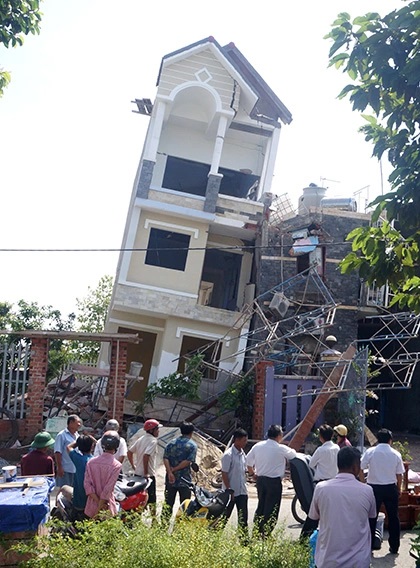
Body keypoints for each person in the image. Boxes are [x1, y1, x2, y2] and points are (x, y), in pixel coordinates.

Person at [308, 446, 377, 568]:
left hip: (327, 560)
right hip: (358, 561)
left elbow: (313, 518)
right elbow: (372, 519)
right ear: (355, 467)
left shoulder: (321, 488)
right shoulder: (367, 491)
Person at [246, 424, 296, 537]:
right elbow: (293, 455)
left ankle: (257, 530)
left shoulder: (258, 446)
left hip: (260, 481)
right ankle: (266, 533)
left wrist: (252, 474)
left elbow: (248, 462)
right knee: (272, 508)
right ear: (279, 435)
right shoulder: (281, 448)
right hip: (274, 482)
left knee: (261, 505)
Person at [360, 428, 405, 554]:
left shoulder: (370, 452)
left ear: (378, 439)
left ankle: (368, 546)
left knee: (371, 517)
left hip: (373, 488)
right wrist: (399, 488)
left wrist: (363, 483)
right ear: (390, 440)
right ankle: (394, 546)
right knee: (393, 517)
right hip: (390, 487)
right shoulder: (396, 454)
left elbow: (361, 468)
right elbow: (399, 474)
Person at [163, 422, 197, 522]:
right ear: (191, 432)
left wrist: (170, 472)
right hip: (184, 480)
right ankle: (181, 526)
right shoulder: (192, 445)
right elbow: (188, 461)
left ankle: (163, 525)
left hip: (170, 479)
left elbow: (165, 458)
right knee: (185, 505)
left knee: (168, 503)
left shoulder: (171, 443)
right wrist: (174, 469)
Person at [84, 430, 122, 519]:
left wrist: (97, 503)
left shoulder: (91, 462)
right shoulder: (116, 465)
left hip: (91, 506)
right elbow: (107, 490)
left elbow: (87, 485)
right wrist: (100, 507)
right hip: (106, 507)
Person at [127, 418, 161, 517]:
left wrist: (133, 466)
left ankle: (136, 519)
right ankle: (154, 520)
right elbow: (146, 456)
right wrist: (146, 473)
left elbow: (129, 452)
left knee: (139, 499)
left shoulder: (141, 439)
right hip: (148, 476)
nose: (158, 431)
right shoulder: (153, 441)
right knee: (152, 499)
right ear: (152, 430)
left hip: (137, 475)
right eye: (157, 429)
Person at [221, 428, 248, 537]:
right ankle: (214, 538)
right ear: (237, 440)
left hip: (242, 492)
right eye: (244, 440)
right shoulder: (228, 455)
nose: (245, 443)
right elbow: (224, 473)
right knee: (224, 518)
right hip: (231, 493)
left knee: (243, 519)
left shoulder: (243, 454)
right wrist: (229, 489)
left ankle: (244, 541)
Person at [65, 434, 96, 520]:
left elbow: (69, 447)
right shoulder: (95, 461)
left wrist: (79, 442)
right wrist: (94, 440)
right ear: (92, 446)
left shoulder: (78, 459)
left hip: (79, 500)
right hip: (93, 501)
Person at [54, 414, 82, 487]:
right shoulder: (62, 435)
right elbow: (58, 452)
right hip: (65, 469)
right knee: (63, 489)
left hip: (75, 469)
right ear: (71, 423)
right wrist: (59, 467)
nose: (79, 425)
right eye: (77, 422)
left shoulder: (77, 435)